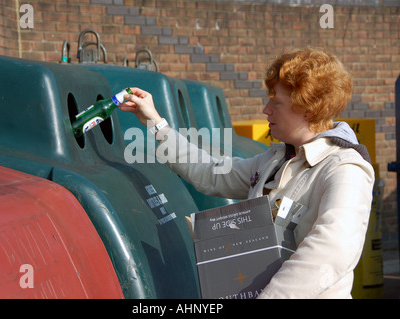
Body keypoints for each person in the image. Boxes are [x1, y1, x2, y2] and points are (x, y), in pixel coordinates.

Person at [119, 48, 375, 299]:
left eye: (276, 102)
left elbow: (332, 251)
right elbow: (212, 173)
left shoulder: (344, 168)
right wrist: (156, 123)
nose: (266, 109)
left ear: (308, 108)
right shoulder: (275, 160)